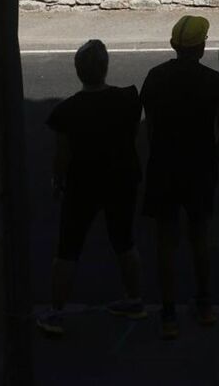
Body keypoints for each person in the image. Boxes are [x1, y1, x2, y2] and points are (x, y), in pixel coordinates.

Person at [37, 39, 145, 336]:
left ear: (78, 71)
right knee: (124, 241)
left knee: (68, 248)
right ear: (105, 67)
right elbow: (133, 134)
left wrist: (57, 181)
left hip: (83, 183)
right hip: (122, 178)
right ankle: (134, 299)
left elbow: (62, 155)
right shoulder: (128, 99)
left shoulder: (67, 111)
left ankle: (57, 312)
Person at [140, 16, 219, 339]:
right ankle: (205, 305)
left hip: (164, 166)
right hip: (198, 168)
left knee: (165, 242)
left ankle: (168, 314)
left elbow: (150, 128)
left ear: (173, 45)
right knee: (199, 237)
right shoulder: (215, 82)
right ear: (202, 47)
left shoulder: (155, 77)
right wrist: (210, 161)